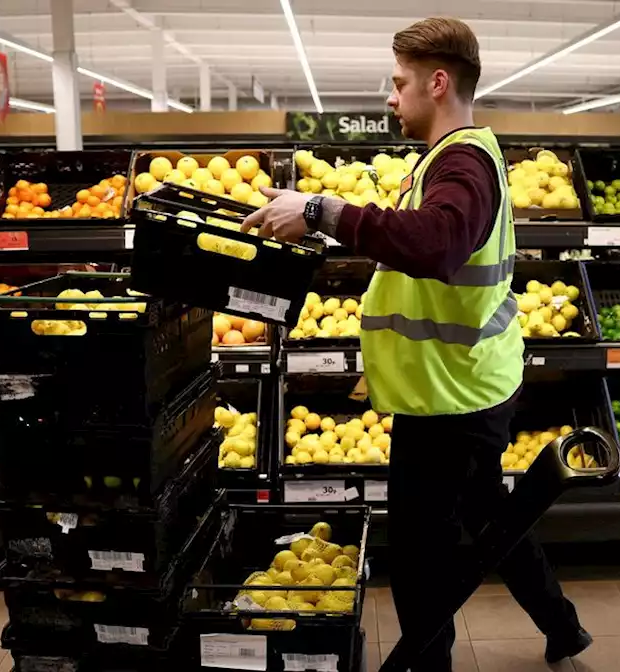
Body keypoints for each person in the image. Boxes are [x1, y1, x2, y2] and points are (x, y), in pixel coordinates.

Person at [242, 16, 591, 670]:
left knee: (419, 559)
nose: (389, 96)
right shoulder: (450, 159)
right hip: (460, 384)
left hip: (452, 400)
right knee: (494, 524)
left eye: (399, 83)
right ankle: (563, 628)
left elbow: (436, 244)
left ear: (437, 82)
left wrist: (323, 210)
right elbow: (414, 243)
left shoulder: (463, 161)